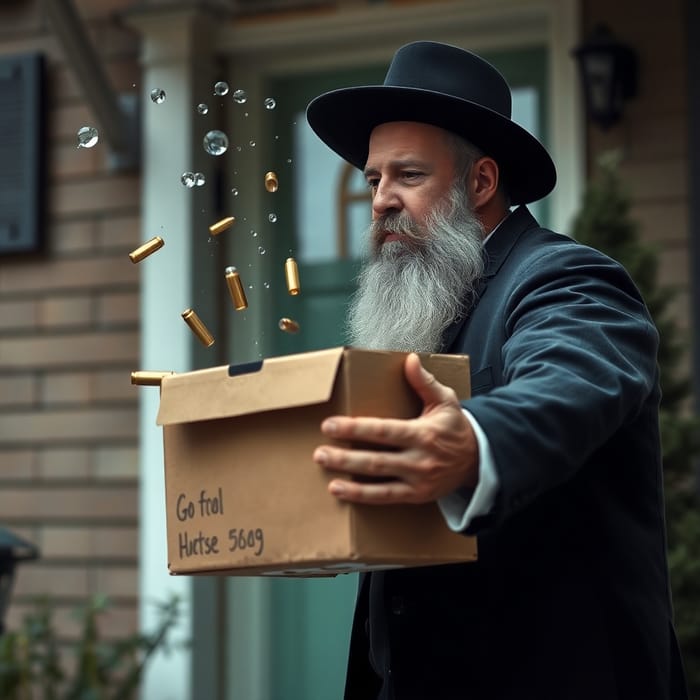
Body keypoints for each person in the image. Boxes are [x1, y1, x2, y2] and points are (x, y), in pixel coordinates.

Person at [307, 41, 688, 700]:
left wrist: (475, 443)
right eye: (374, 180)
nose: (380, 201)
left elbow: (571, 380)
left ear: (480, 182)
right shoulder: (426, 305)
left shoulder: (566, 277)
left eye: (409, 176)